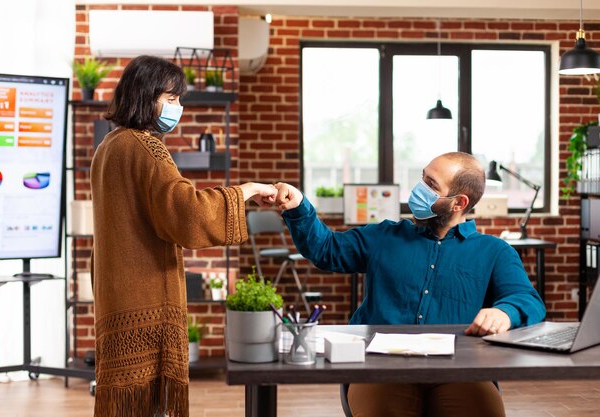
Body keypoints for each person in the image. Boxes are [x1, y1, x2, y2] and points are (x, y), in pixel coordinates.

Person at [274, 152, 546, 417]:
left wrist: (505, 312)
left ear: (459, 202)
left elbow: (528, 300)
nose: (418, 189)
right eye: (422, 178)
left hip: (461, 371)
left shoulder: (494, 251)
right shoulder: (384, 236)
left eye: (431, 184)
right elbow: (326, 249)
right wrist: (299, 206)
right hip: (380, 369)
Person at [90, 55, 276, 417]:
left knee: (125, 404)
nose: (179, 108)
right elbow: (185, 212)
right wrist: (247, 190)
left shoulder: (107, 148)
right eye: (171, 98)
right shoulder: (147, 148)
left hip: (115, 298)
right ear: (145, 96)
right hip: (147, 298)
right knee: (150, 402)